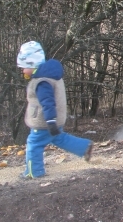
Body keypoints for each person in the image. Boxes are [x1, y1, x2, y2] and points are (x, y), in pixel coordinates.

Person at [17, 41, 93, 178]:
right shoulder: (50, 76)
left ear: (31, 65)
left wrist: (50, 121)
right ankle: (84, 147)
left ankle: (34, 172)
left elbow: (48, 103)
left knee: (34, 144)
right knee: (59, 138)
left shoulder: (42, 82)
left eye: (23, 67)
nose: (22, 71)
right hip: (53, 120)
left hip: (43, 122)